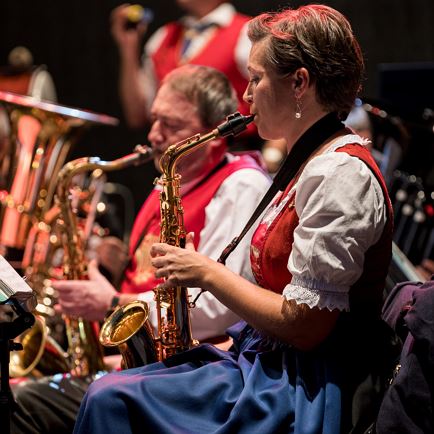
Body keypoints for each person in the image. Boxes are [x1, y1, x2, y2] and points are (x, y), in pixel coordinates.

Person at [73, 5, 398, 434]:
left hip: (308, 387)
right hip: (272, 364)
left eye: (257, 78)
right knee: (115, 389)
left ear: (299, 82)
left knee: (110, 397)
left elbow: (306, 326)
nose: (245, 95)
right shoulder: (309, 162)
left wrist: (207, 273)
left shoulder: (340, 174)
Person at [10, 64, 270, 434]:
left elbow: (215, 311)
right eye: (154, 120)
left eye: (172, 125)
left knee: (22, 401)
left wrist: (110, 301)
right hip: (135, 357)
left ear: (212, 135)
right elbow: (147, 275)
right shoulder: (167, 183)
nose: (153, 135)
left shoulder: (241, 186)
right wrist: (103, 262)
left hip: (190, 369)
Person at [111, 1, 250, 130]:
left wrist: (271, 151)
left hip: (231, 151)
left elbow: (270, 102)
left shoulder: (247, 32)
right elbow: (136, 115)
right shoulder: (164, 35)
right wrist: (128, 48)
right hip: (171, 151)